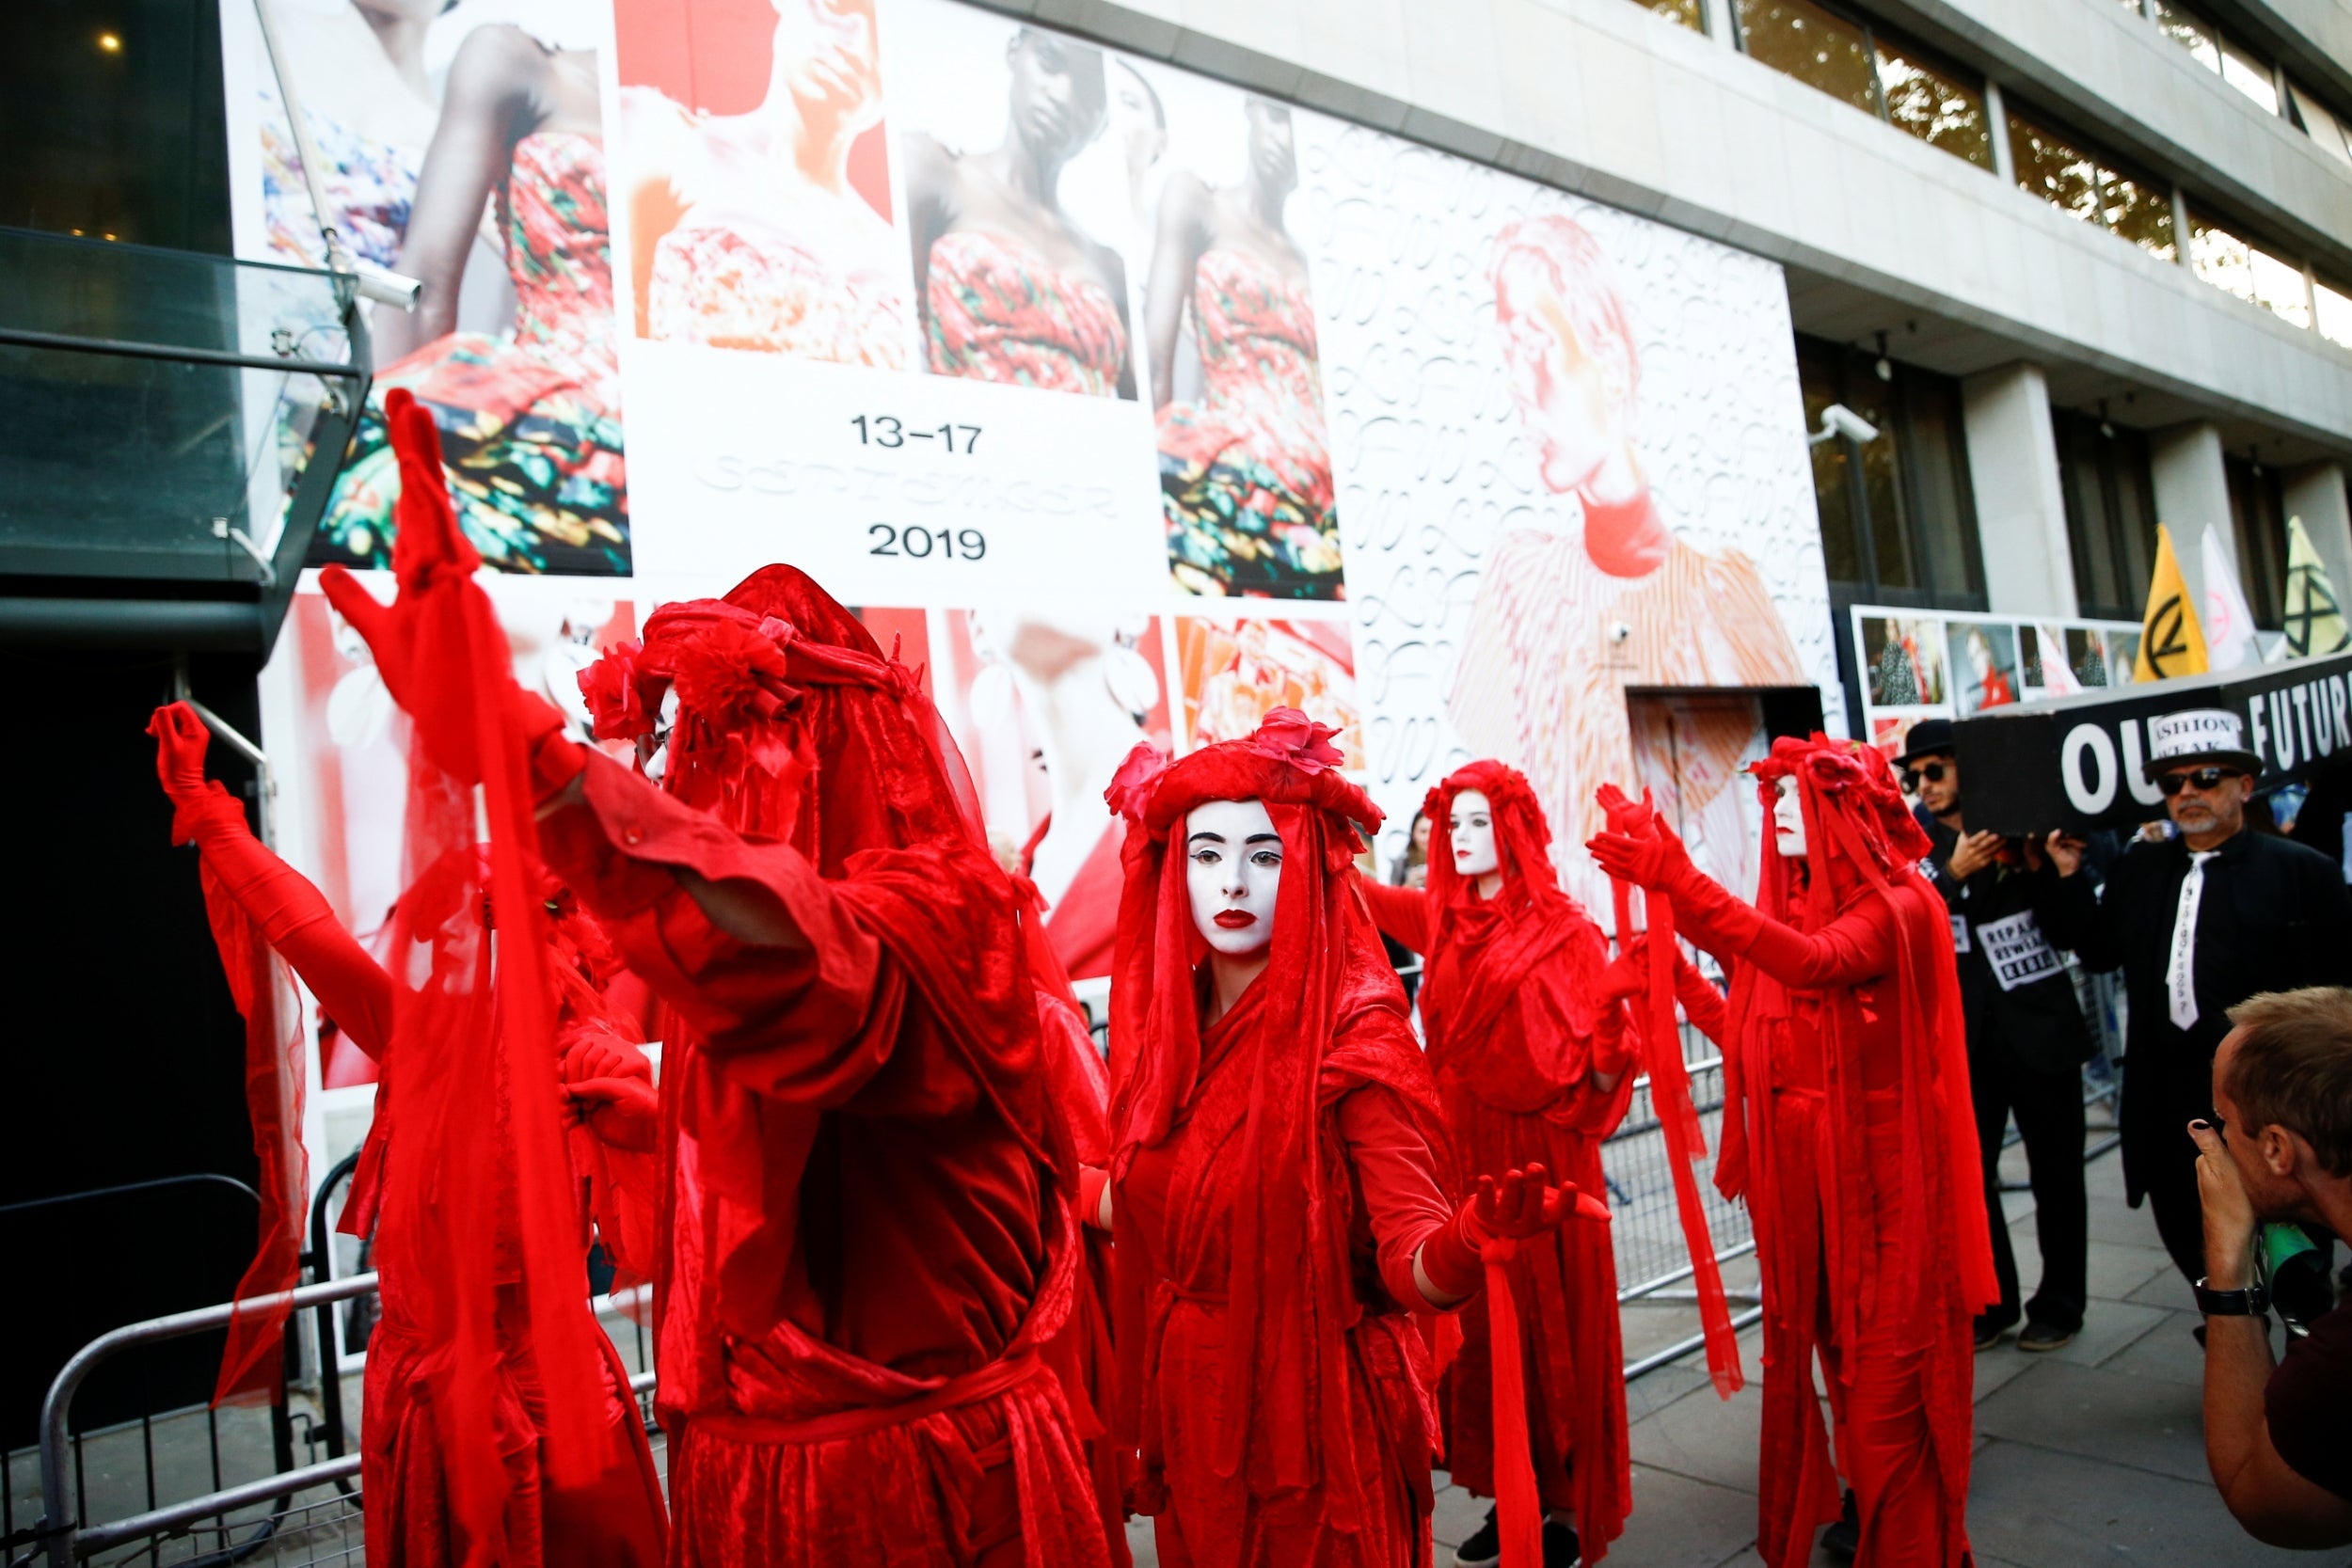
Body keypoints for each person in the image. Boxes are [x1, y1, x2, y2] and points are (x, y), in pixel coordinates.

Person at [339, 550, 1115, 1568]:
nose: (684, 781)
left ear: (816, 745)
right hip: (760, 1490)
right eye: (678, 750)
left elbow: (795, 962)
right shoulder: (740, 970)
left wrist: (518, 749)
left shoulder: (942, 929)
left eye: (718, 743)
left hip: (915, 1505)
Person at [150, 695, 667, 1568]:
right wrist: (203, 805)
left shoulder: (585, 1056)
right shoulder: (419, 1037)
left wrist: (643, 1121)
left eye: (494, 922)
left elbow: (706, 1164)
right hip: (432, 1400)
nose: (471, 945)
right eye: (463, 923)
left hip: (548, 1408)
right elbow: (302, 926)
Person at [1091, 710, 1596, 1568]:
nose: (1233, 882)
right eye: (1207, 854)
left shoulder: (1352, 1032)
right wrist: (1013, 1171)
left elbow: (1409, 1263)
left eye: (1263, 854)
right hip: (1191, 1412)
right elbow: (1138, 1200)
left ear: (1306, 864)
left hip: (1311, 1430)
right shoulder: (1165, 1035)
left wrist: (1470, 1242)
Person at [1588, 737, 1997, 1568]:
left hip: (1891, 1214)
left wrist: (1676, 877)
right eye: (1769, 796)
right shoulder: (1808, 906)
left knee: (1888, 1420)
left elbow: (1814, 963)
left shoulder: (1903, 906)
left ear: (1847, 809)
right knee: (1850, 1400)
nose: (1772, 812)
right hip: (1815, 1215)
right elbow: (1751, 1027)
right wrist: (1667, 957)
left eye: (1789, 798)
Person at [1448, 214, 1804, 918]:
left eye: (1535, 344)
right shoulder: (1519, 581)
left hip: (1692, 972)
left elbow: (1751, 823)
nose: (1518, 383)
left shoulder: (1723, 591)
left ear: (1608, 361)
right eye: (1505, 351)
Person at [1356, 763, 1634, 1566]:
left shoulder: (1567, 929)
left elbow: (1604, 1061)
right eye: (1453, 823)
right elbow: (1357, 891)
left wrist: (1616, 1042)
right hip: (1464, 1156)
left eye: (1478, 821)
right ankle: (1512, 1492)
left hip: (1545, 1158)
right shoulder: (1439, 920)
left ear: (1512, 829)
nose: (1460, 837)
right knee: (1480, 1338)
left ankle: (1566, 1509)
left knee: (1555, 1334)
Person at [2040, 708, 2352, 1287]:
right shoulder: (2141, 867)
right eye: (2173, 782)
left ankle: (2303, 1354)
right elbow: (2098, 949)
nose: (2188, 793)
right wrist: (2066, 876)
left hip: (2268, 1101)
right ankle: (2227, 1333)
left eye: (2206, 777)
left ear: (2244, 785)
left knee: (2295, 1260)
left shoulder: (2303, 872)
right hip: (2165, 1104)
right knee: (2193, 1243)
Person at [317, 22, 628, 575]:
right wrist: (409, 455)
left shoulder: (712, 121)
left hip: (689, 440)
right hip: (553, 436)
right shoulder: (518, 62)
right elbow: (428, 279)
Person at [1898, 718, 2093, 1353]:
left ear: (1968, 767)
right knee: (1970, 1177)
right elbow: (1903, 929)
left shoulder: (2023, 826)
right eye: (1915, 775)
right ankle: (1992, 1301)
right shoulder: (1912, 846)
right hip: (1963, 1043)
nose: (1924, 785)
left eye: (1936, 770)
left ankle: (2060, 1305)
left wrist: (2056, 870)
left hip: (2041, 1034)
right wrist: (1949, 874)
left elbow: (2075, 934)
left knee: (2057, 1174)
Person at [622, 0, 913, 365]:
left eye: (883, 35)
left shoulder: (895, 252)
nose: (856, 44)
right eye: (839, 6)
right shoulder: (665, 141)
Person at [1149, 97, 1340, 599]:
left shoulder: (1312, 264)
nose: (1284, 141)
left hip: (1321, 512)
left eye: (1301, 133)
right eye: (1278, 118)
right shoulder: (1198, 202)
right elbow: (1155, 368)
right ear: (1253, 110)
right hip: (1230, 488)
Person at [2186, 987, 2352, 1548]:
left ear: (2278, 1149)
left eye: (2224, 1122)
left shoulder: (2339, 1361)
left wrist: (2228, 1266)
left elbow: (2262, 1499)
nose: (2221, 1141)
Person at [902, 26, 1134, 398]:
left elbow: (1141, 424)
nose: (1062, 94)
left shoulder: (1109, 265)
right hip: (965, 439)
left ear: (1103, 122)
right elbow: (890, 331)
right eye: (1049, 63)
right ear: (1015, 52)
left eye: (1090, 92)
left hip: (1088, 449)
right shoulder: (935, 174)